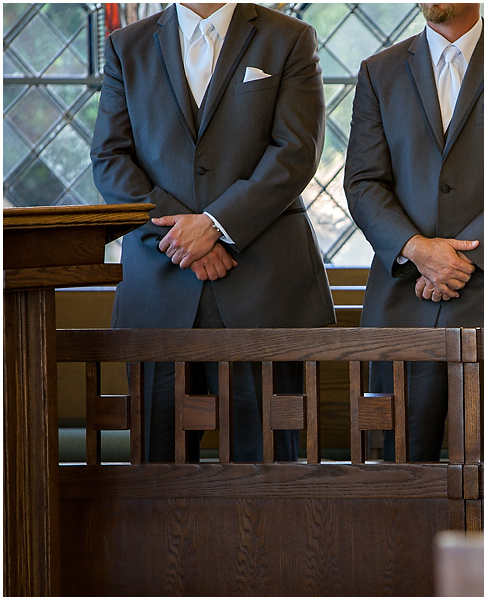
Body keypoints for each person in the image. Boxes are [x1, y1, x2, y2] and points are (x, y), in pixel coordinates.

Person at [91, 3, 335, 462]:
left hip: (262, 287)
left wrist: (218, 225)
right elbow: (110, 158)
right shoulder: (127, 45)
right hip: (159, 289)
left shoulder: (290, 38)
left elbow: (296, 152)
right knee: (156, 470)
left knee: (268, 468)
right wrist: (185, 236)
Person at [344, 3, 484, 462]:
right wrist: (417, 250)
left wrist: (457, 261)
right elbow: (363, 181)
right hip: (404, 298)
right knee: (400, 472)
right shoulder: (378, 72)